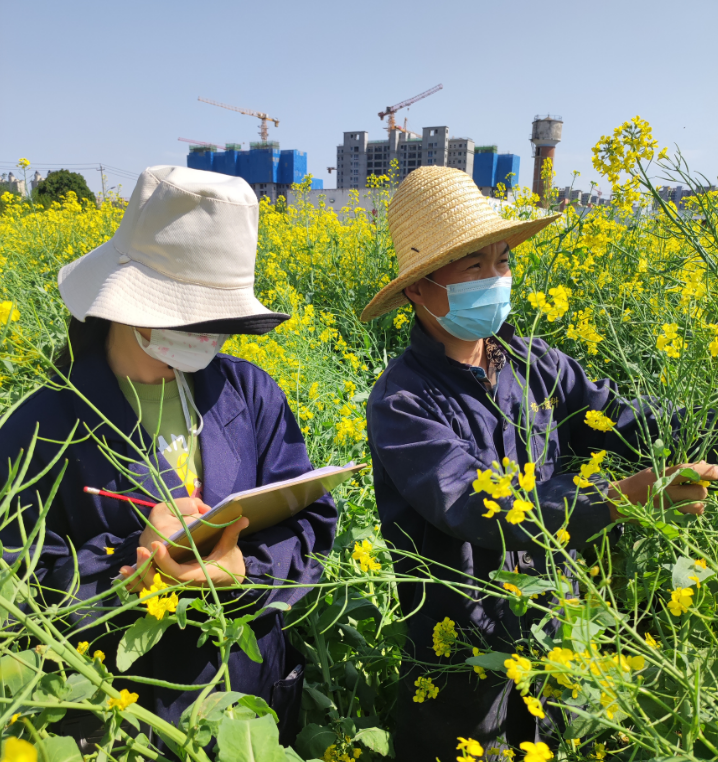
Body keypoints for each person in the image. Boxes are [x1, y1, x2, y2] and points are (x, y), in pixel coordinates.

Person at [360, 166, 717, 761]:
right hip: (464, 653)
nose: (495, 279)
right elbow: (471, 502)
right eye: (473, 266)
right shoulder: (401, 401)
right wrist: (621, 497)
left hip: (555, 625)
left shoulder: (537, 364)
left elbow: (625, 419)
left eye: (502, 261)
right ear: (419, 289)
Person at [0, 166, 337, 749]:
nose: (203, 338)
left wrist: (247, 570)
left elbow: (311, 522)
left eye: (216, 324)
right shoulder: (42, 422)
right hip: (123, 711)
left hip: (247, 699)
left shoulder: (250, 395)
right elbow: (18, 578)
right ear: (123, 298)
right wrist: (129, 570)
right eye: (188, 318)